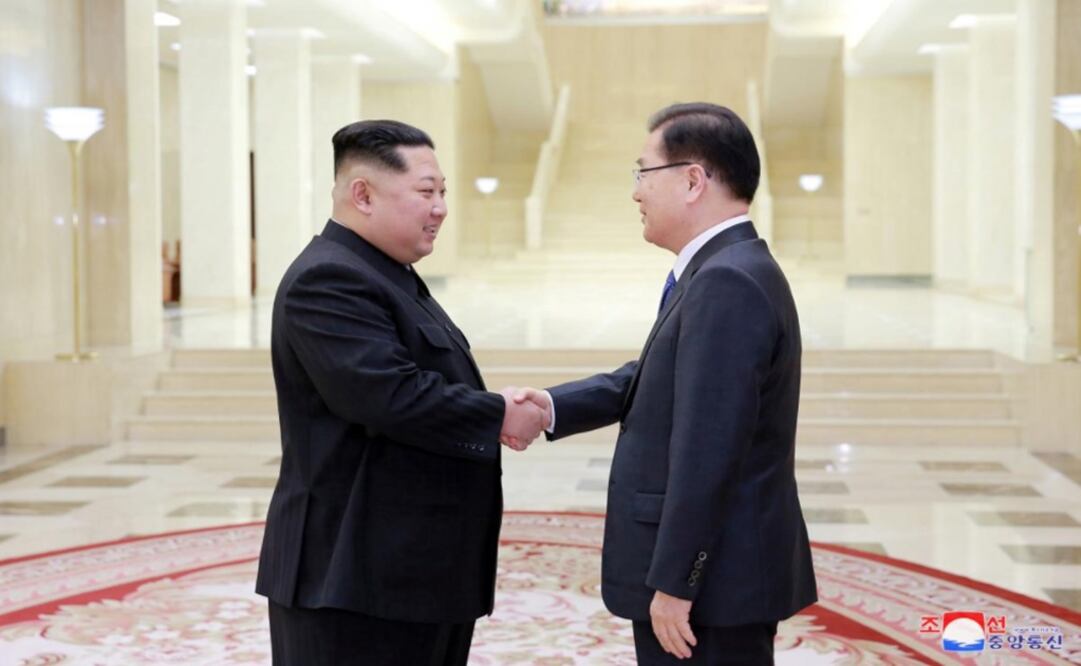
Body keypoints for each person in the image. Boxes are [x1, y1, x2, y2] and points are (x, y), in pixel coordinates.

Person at [509, 103, 817, 664]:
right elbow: (663, 378)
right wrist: (555, 406)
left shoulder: (728, 280)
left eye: (643, 173)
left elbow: (710, 449)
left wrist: (677, 584)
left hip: (713, 588)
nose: (635, 193)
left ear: (693, 180)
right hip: (720, 577)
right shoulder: (723, 268)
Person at [255, 119, 548, 666]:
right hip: (352, 577)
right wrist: (498, 414)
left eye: (442, 193)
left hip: (410, 572)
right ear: (362, 194)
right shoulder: (328, 279)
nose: (439, 208)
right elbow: (389, 396)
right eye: (425, 192)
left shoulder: (390, 274)